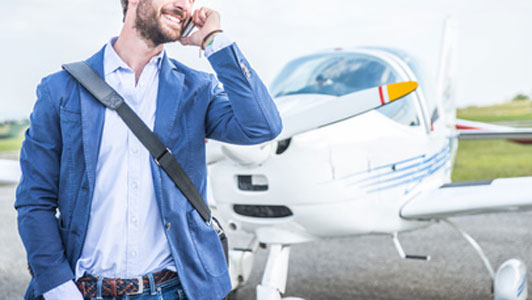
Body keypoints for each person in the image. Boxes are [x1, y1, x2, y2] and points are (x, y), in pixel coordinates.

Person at [15, 0, 282, 299]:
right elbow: (34, 200)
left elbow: (262, 126)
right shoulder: (60, 90)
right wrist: (58, 287)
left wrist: (213, 41)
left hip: (172, 290)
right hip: (81, 290)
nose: (183, 4)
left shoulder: (196, 89)